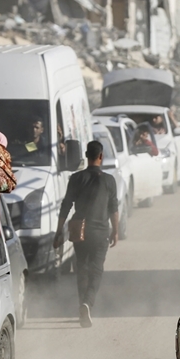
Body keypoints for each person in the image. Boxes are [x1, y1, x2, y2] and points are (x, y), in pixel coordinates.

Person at [53, 140, 119, 328]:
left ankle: (82, 305)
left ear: (86, 155)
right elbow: (114, 208)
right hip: (100, 232)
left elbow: (65, 206)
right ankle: (87, 303)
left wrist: (59, 231)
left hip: (79, 230)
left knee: (81, 267)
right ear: (101, 156)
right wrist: (116, 231)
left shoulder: (76, 178)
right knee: (96, 269)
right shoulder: (109, 180)